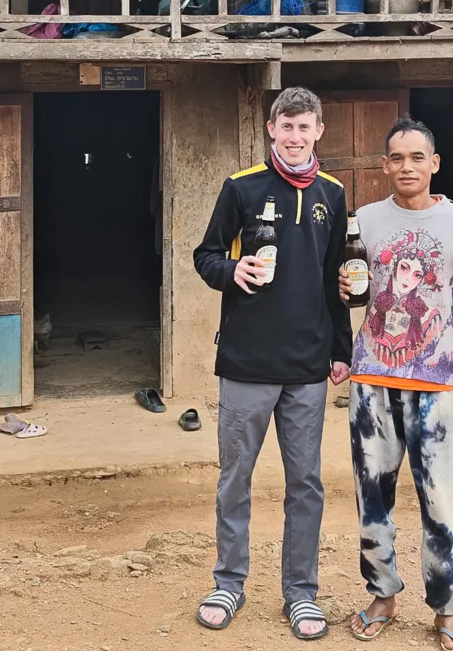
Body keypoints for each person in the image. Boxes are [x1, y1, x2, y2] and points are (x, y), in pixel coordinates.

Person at [192, 87, 352, 640]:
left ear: (318, 132)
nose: (295, 136)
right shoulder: (242, 187)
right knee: (235, 477)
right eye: (286, 126)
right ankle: (228, 582)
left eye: (305, 127)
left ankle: (301, 594)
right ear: (270, 128)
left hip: (307, 367)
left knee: (305, 482)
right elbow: (205, 255)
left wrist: (340, 349)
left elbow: (336, 279)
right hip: (246, 363)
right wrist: (231, 270)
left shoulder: (333, 193)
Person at [345, 117, 453, 651]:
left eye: (416, 158)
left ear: (434, 163)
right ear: (384, 165)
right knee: (372, 496)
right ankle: (382, 593)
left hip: (435, 386)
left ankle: (446, 606)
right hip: (371, 380)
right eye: (396, 158)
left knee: (441, 499)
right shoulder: (363, 220)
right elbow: (352, 296)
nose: (406, 167)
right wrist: (347, 296)